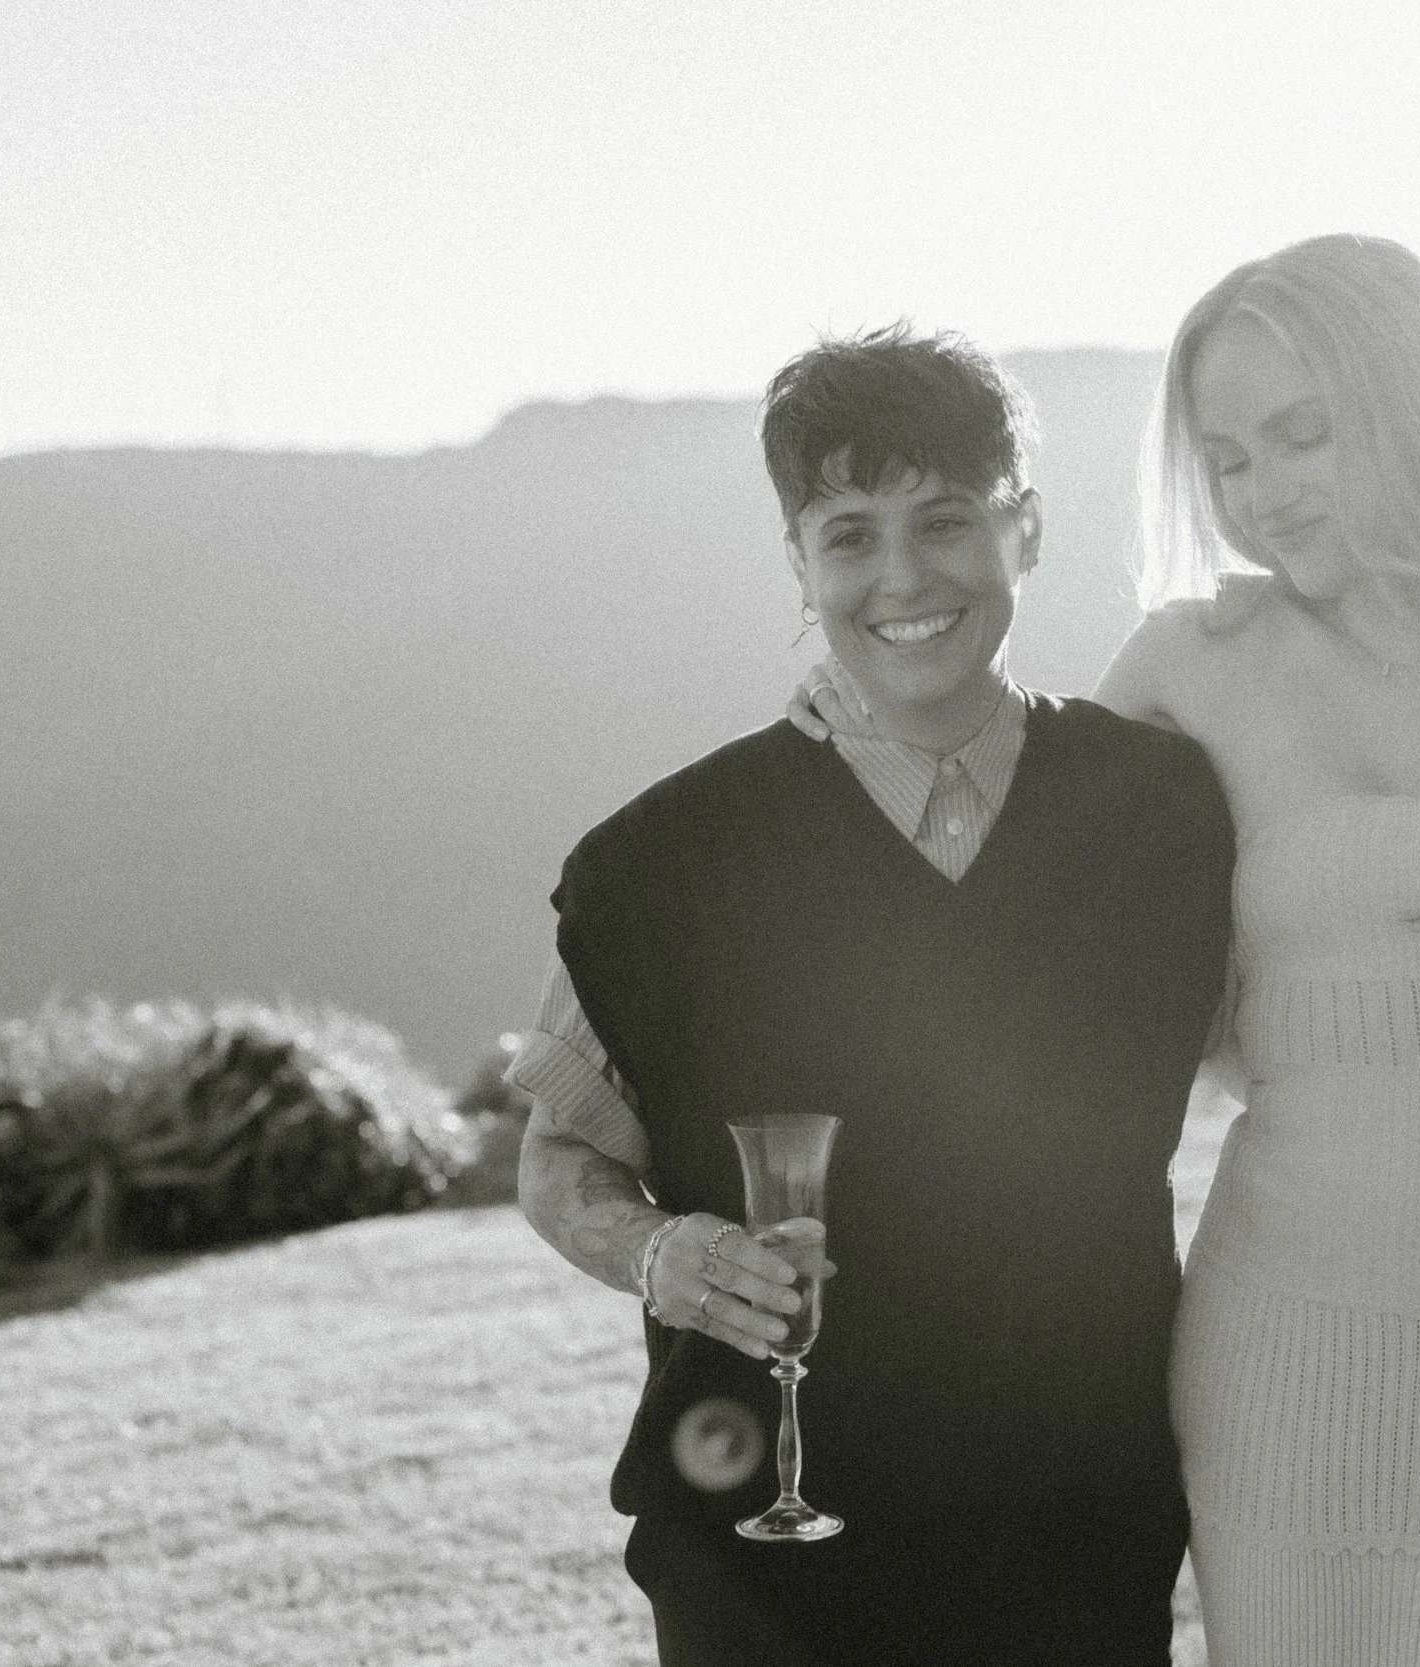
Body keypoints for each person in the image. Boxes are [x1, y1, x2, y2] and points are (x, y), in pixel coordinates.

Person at [803, 237, 1420, 1664]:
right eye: (1226, 459)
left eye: (1302, 435)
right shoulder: (1187, 667)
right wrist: (849, 708)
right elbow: (1025, 932)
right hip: (1288, 1347)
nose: (1263, 493)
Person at [506, 323, 1240, 1665]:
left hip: (1077, 1534)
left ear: (1024, 528)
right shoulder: (657, 867)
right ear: (799, 562)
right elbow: (558, 1161)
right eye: (848, 534)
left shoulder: (1163, 812)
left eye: (945, 520)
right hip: (769, 1560)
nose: (902, 577)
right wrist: (659, 1256)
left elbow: (1311, 1022)